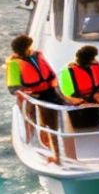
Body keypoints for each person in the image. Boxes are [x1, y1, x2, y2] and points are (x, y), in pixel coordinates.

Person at [6, 34, 65, 163]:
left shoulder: (37, 56)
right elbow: (13, 88)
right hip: (32, 97)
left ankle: (55, 154)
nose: (32, 48)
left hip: (49, 93)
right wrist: (30, 94)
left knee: (51, 124)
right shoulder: (14, 64)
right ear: (26, 47)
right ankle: (31, 143)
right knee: (34, 122)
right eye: (30, 45)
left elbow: (51, 75)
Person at [58, 45, 99, 145]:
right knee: (81, 130)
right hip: (77, 103)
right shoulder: (67, 71)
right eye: (93, 58)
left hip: (94, 97)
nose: (95, 60)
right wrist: (81, 102)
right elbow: (66, 95)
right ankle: (81, 143)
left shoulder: (95, 65)